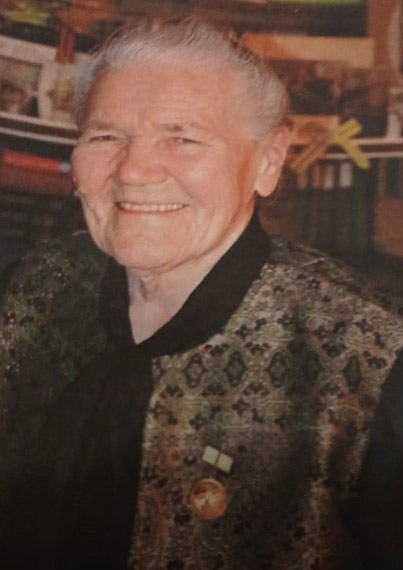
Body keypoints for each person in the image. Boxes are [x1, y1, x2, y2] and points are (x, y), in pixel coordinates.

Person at [0, 17, 403, 570]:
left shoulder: (368, 357)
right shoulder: (27, 288)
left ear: (268, 162)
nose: (134, 171)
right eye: (105, 136)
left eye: (183, 138)